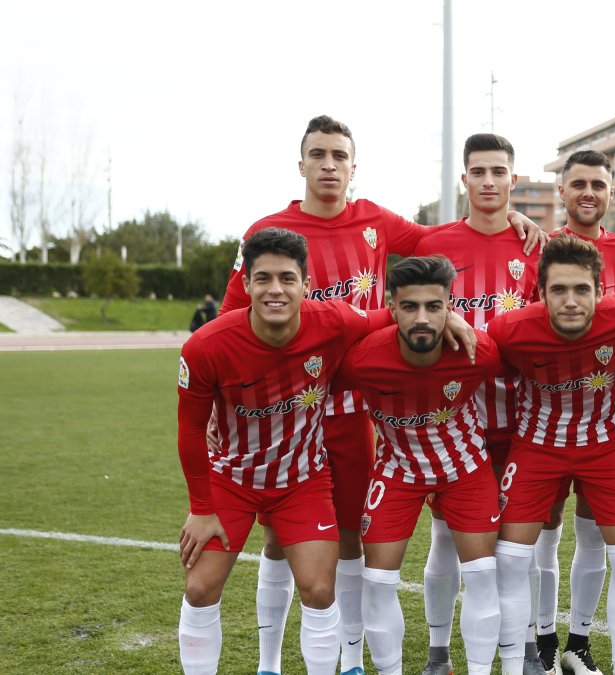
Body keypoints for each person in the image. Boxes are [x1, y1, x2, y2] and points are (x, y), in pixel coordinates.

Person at [220, 116, 543, 675]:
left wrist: (508, 215)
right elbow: (231, 321)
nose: (328, 165)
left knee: (348, 538)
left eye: (339, 156)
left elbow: (447, 245)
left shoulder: (376, 221)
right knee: (276, 540)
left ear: (353, 166)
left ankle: (350, 658)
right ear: (301, 164)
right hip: (286, 411)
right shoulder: (267, 232)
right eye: (318, 155)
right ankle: (269, 662)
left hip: (354, 409)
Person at [176, 227, 391, 674]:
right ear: (247, 284)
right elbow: (190, 430)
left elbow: (392, 316)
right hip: (232, 480)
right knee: (199, 588)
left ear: (305, 285)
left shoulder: (333, 320)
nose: (275, 289)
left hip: (302, 481)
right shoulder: (205, 346)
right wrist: (201, 508)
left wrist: (449, 318)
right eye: (264, 279)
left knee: (319, 588)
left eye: (287, 278)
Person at [411, 132, 544, 675]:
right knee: (445, 536)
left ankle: (526, 647)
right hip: (451, 420)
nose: (489, 182)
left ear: (513, 178)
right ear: (463, 179)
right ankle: (439, 653)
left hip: (522, 418)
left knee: (519, 543)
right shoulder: (433, 245)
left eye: (499, 171)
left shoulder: (536, 247)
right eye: (479, 172)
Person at [332, 255, 503, 675]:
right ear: (392, 309)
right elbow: (304, 381)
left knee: (483, 574)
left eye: (433, 306)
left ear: (450, 308)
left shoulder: (479, 352)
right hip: (398, 470)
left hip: (465, 468)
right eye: (410, 307)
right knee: (377, 582)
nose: (422, 318)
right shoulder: (362, 360)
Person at [487, 235, 615, 675]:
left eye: (582, 289)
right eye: (558, 290)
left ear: (601, 291)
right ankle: (515, 665)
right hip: (537, 447)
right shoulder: (509, 329)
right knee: (510, 558)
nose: (571, 301)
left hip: (607, 445)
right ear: (540, 293)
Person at [534, 149, 615, 675]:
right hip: (544, 419)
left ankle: (580, 642)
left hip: (606, 419)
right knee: (544, 532)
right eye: (578, 184)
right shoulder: (537, 247)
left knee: (593, 533)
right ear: (562, 191)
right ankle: (544, 641)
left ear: (611, 192)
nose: (588, 193)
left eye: (598, 184)